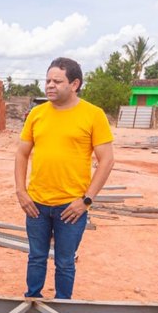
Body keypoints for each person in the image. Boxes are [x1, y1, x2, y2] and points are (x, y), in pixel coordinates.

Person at [15, 57, 115, 299]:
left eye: (57, 81)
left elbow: (107, 160)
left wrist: (86, 200)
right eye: (47, 80)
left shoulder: (93, 115)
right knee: (36, 257)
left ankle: (63, 311)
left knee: (65, 262)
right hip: (36, 205)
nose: (50, 85)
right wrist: (21, 192)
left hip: (71, 206)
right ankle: (33, 303)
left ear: (75, 84)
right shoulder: (37, 114)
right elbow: (21, 153)